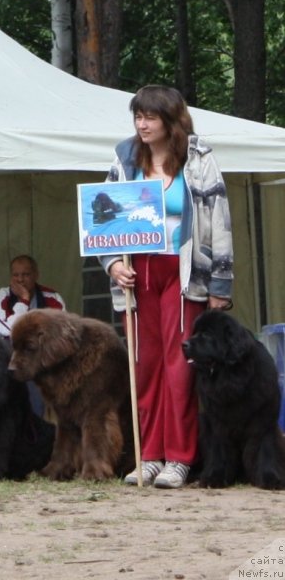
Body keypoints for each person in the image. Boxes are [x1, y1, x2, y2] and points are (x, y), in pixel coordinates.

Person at [99, 85, 233, 489]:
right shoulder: (124, 158)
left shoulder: (198, 159)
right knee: (143, 364)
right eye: (138, 116)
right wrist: (111, 267)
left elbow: (219, 218)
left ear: (170, 119)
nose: (142, 124)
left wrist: (220, 283)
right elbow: (103, 218)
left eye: (150, 117)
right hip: (137, 273)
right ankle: (149, 455)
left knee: (179, 369)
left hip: (184, 272)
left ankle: (180, 457)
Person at [0, 254, 65, 416]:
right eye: (16, 275)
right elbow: (8, 331)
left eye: (25, 275)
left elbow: (59, 333)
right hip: (8, 359)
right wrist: (23, 301)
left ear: (36, 275)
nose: (20, 280)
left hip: (42, 361)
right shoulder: (1, 296)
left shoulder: (52, 298)